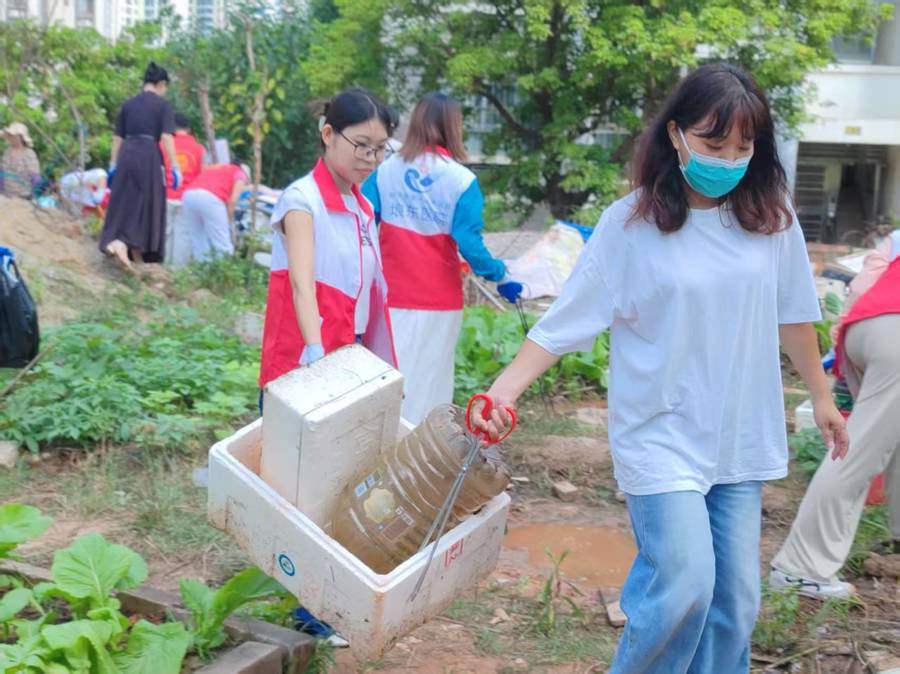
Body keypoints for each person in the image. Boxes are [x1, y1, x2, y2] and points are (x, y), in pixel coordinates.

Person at [475, 64, 848, 673]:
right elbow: (565, 322)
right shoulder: (631, 225)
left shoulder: (771, 218)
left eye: (744, 147)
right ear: (675, 134)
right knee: (684, 582)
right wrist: (503, 391)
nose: (729, 160)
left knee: (735, 604)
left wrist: (823, 396)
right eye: (713, 144)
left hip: (739, 432)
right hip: (661, 432)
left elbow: (795, 315)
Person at [362, 92, 522, 425]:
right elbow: (470, 244)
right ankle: (422, 450)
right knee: (430, 381)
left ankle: (378, 447)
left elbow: (361, 225)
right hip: (439, 301)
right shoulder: (461, 180)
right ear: (454, 126)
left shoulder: (385, 171)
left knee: (383, 379)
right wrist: (501, 276)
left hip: (389, 295)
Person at [770, 228, 900, 598]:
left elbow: (861, 288)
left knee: (887, 433)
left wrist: (844, 345)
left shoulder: (897, 238)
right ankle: (800, 568)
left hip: (866, 326)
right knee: (861, 451)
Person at [258, 88, 398, 393]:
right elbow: (302, 285)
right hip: (304, 353)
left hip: (351, 348)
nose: (371, 158)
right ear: (328, 134)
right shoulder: (302, 200)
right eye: (361, 145)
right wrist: (315, 351)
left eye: (379, 148)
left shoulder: (363, 207)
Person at [99, 62, 180, 272]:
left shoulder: (128, 105)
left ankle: (129, 251)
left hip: (126, 153)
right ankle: (124, 244)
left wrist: (113, 164)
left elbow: (117, 138)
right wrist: (175, 166)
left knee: (125, 200)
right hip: (148, 155)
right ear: (161, 84)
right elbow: (166, 137)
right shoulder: (163, 106)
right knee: (147, 203)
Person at [181, 162, 249, 261]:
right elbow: (233, 201)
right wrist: (228, 222)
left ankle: (201, 267)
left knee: (198, 239)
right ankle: (223, 269)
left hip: (189, 195)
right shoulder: (241, 174)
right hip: (210, 197)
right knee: (221, 243)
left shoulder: (218, 167)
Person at [163, 113, 206, 201]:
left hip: (166, 198)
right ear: (188, 129)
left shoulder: (161, 145)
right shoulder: (200, 149)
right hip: (190, 200)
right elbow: (204, 177)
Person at [1, 122, 41, 199]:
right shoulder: (7, 152)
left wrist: (36, 194)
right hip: (7, 195)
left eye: (13, 136)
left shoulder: (29, 154)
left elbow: (35, 176)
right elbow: (2, 173)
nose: (11, 138)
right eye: (10, 136)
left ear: (21, 137)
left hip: (25, 195)